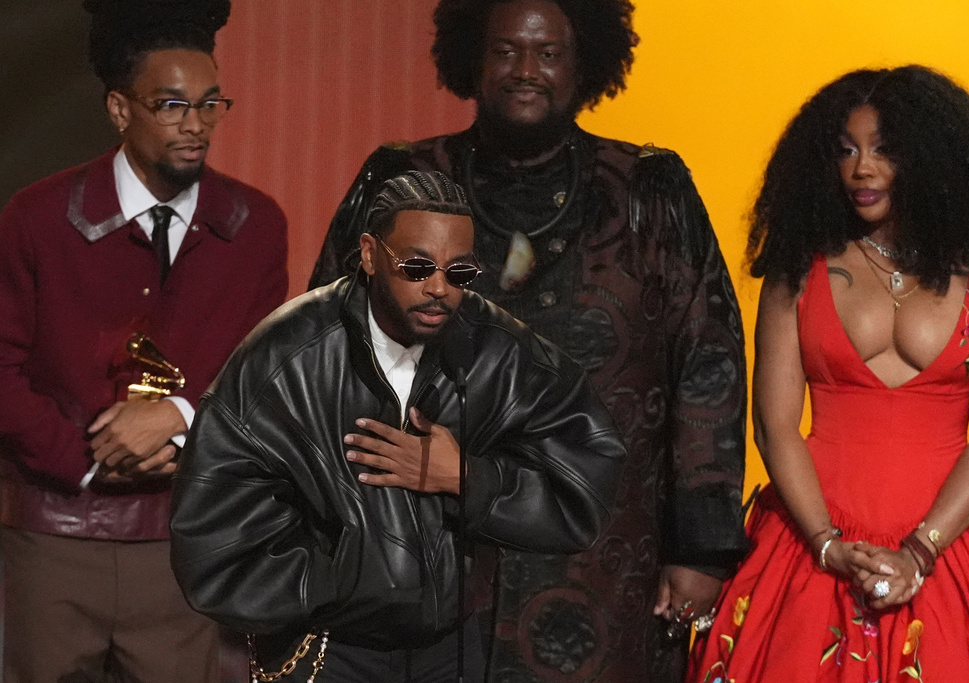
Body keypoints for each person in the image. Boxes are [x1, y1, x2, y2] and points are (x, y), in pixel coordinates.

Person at [309, 1, 748, 680]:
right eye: (507, 50)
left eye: (548, 54)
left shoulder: (650, 193)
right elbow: (327, 344)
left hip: (604, 559)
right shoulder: (399, 179)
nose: (526, 71)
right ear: (472, 60)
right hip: (423, 543)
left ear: (584, 65)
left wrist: (701, 548)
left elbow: (708, 363)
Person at [170, 171, 626, 682]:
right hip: (324, 648)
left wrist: (467, 479)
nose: (439, 288)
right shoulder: (285, 357)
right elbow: (209, 535)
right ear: (369, 254)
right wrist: (351, 576)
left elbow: (589, 474)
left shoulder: (495, 349)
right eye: (416, 266)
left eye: (460, 272)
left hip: (450, 653)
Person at [688, 65, 969, 681]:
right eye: (846, 150)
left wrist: (920, 553)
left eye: (883, 150)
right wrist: (825, 542)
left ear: (931, 158)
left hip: (953, 544)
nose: (861, 169)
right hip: (811, 545)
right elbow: (775, 426)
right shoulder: (797, 271)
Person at [0, 0, 289, 680]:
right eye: (171, 105)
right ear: (120, 109)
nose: (197, 125)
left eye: (211, 104)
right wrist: (88, 457)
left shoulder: (256, 225)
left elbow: (264, 372)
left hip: (182, 539)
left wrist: (181, 420)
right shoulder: (37, 217)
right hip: (53, 534)